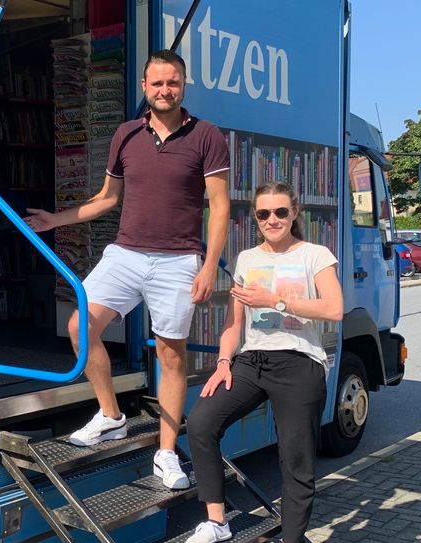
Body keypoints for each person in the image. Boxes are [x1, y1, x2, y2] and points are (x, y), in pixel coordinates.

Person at [23, 50, 230, 490]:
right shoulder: (126, 135)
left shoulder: (207, 135)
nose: (164, 90)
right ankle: (112, 415)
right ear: (144, 86)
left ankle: (167, 453)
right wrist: (56, 220)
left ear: (184, 85)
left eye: (172, 82)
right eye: (156, 83)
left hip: (178, 259)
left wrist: (209, 266)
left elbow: (220, 207)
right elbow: (106, 199)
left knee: (171, 357)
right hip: (126, 254)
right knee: (81, 327)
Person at [183, 182, 344, 543]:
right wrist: (224, 361)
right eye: (263, 214)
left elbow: (334, 309)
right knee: (201, 422)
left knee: (295, 459)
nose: (273, 220)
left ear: (294, 213)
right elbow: (234, 324)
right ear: (255, 218)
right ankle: (216, 521)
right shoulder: (246, 259)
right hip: (251, 362)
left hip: (300, 363)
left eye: (280, 212)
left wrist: (275, 300)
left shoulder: (315, 254)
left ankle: (291, 538)